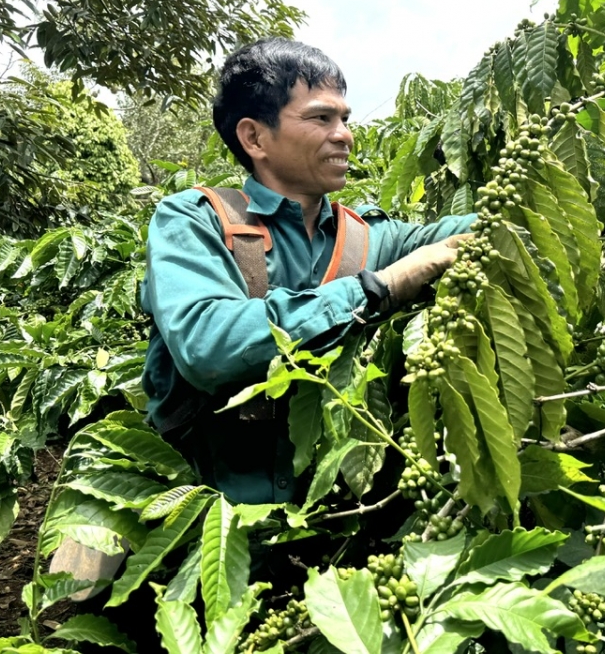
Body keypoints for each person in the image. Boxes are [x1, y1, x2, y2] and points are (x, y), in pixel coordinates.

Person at [139, 37, 475, 505]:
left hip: (337, 519)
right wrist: (383, 286)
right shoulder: (195, 221)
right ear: (254, 137)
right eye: (321, 118)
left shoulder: (367, 238)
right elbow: (208, 345)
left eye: (345, 119)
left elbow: (471, 228)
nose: (344, 135)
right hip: (210, 514)